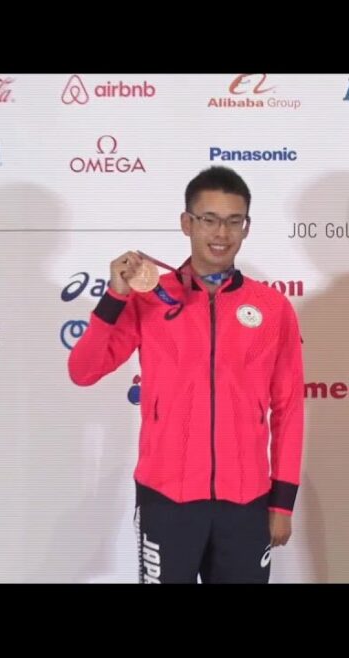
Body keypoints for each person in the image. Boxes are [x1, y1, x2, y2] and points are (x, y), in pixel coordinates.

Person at [68, 166, 305, 583]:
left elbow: (289, 408)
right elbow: (83, 371)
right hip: (165, 498)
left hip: (246, 501)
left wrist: (282, 501)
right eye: (209, 219)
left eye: (234, 221)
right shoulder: (148, 299)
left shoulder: (272, 308)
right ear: (186, 223)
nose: (222, 233)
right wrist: (115, 297)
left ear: (247, 227)